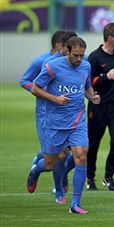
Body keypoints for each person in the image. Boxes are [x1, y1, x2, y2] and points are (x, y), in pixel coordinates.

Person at [27, 36, 101, 214]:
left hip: (77, 120)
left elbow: (86, 86)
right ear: (67, 51)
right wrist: (55, 98)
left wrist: (92, 96)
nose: (79, 59)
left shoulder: (86, 65)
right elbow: (35, 88)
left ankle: (75, 204)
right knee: (51, 164)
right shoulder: (53, 66)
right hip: (55, 122)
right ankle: (36, 171)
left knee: (82, 157)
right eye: (76, 55)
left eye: (82, 55)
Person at [20, 30, 66, 194]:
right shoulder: (42, 61)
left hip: (67, 112)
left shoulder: (74, 62)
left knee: (69, 152)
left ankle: (40, 159)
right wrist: (43, 92)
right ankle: (59, 188)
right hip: (45, 112)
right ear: (60, 45)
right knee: (59, 154)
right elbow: (25, 81)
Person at [86, 22, 114, 191]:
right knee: (93, 144)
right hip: (98, 106)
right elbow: (88, 83)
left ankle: (109, 176)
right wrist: (105, 77)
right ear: (110, 38)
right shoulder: (94, 57)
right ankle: (90, 177)